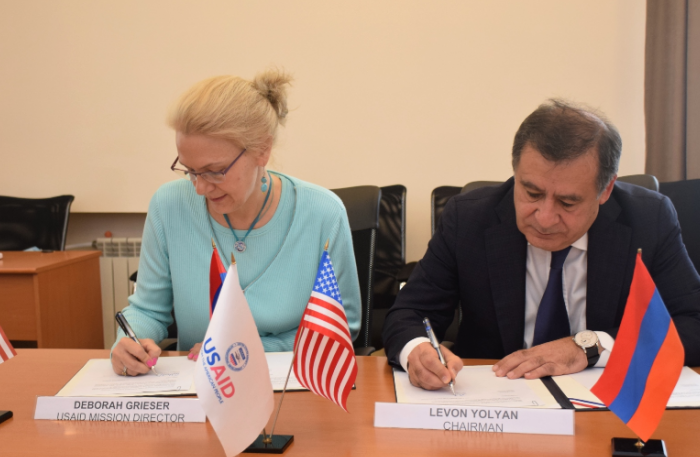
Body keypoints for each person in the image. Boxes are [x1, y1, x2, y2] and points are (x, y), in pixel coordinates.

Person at [383, 99, 700, 391]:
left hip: (605, 405)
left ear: (605, 190)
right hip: (495, 402)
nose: (545, 218)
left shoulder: (648, 219)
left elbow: (693, 322)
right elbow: (409, 313)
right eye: (532, 193)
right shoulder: (468, 219)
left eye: (568, 202)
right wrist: (417, 350)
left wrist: (592, 346)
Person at [111, 70, 361, 376]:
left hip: (292, 382)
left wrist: (249, 349)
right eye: (190, 171)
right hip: (201, 382)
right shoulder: (168, 206)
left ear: (262, 150)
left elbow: (342, 328)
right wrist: (130, 340)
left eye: (215, 171)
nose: (200, 188)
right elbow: (148, 310)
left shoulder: (323, 213)